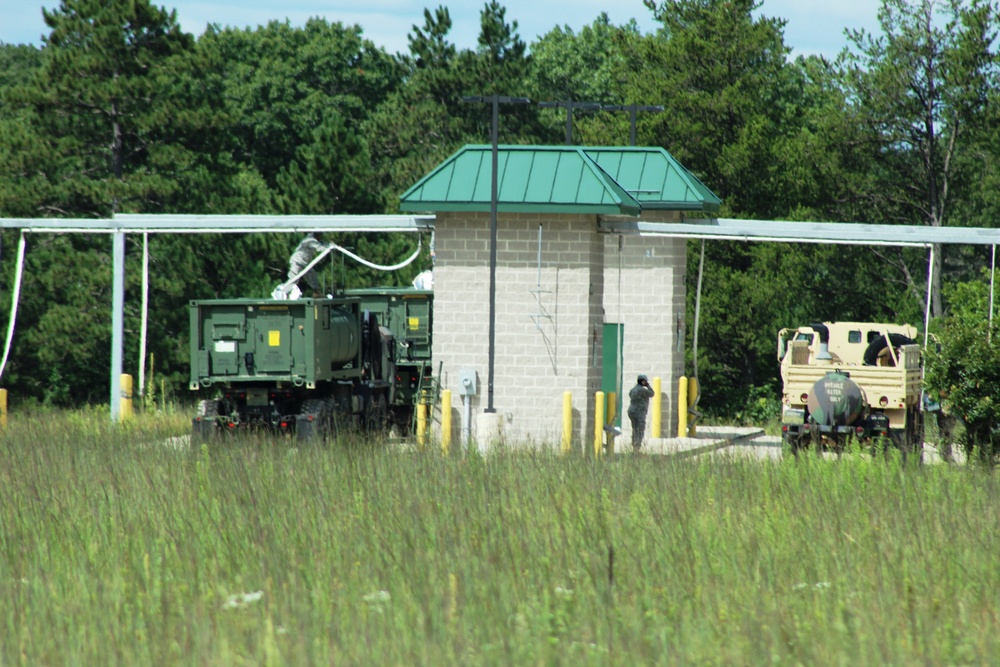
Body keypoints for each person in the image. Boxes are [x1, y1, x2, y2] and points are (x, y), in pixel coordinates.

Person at [628, 374, 655, 450]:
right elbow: (652, 393)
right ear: (643, 382)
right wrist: (648, 385)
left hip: (631, 411)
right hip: (639, 412)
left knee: (635, 429)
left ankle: (634, 446)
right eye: (645, 381)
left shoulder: (633, 390)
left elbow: (630, 395)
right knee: (640, 429)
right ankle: (637, 447)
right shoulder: (643, 390)